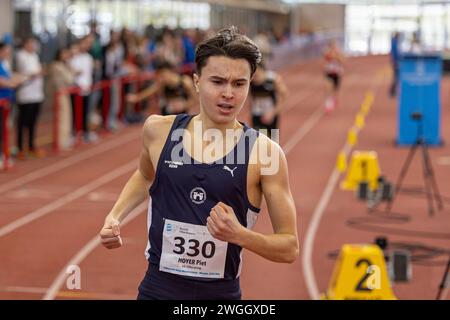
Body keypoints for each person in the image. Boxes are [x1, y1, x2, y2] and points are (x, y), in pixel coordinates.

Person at [99, 26, 299, 300]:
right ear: (196, 81)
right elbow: (145, 176)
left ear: (249, 85)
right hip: (157, 290)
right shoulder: (158, 131)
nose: (228, 93)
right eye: (217, 82)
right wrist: (115, 216)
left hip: (220, 294)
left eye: (239, 84)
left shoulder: (265, 153)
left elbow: (289, 246)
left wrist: (241, 235)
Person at [126, 61, 196, 116]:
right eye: (160, 76)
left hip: (182, 114)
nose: (161, 79)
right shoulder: (162, 83)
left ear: (169, 72)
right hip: (169, 114)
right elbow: (150, 91)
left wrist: (184, 105)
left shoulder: (185, 82)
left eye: (163, 75)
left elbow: (195, 99)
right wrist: (136, 98)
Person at [15, 37, 46, 159]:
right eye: (31, 43)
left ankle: (31, 146)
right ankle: (20, 148)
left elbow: (38, 71)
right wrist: (38, 72)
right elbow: (28, 72)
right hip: (25, 94)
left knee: (33, 122)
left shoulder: (34, 55)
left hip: (37, 94)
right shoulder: (20, 55)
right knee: (22, 123)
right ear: (25, 44)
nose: (33, 45)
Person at [0, 42, 25, 167]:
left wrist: (20, 78)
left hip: (6, 101)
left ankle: (3, 154)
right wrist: (12, 83)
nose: (8, 53)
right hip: (1, 101)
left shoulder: (4, 64)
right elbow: (2, 81)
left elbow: (9, 76)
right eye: (6, 50)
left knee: (5, 129)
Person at [249, 62, 287, 139]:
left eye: (257, 74)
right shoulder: (250, 80)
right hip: (257, 113)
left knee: (274, 140)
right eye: (254, 75)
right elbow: (249, 97)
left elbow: (284, 95)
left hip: (271, 112)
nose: (255, 78)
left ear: (263, 71)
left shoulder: (273, 79)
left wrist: (273, 112)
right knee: (258, 139)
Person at [323, 40, 344, 113]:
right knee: (328, 88)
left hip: (337, 73)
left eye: (334, 45)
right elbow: (326, 58)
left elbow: (343, 61)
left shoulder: (339, 53)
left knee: (335, 89)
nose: (333, 47)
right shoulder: (327, 53)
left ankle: (334, 98)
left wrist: (337, 56)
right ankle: (328, 105)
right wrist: (331, 55)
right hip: (329, 73)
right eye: (332, 46)